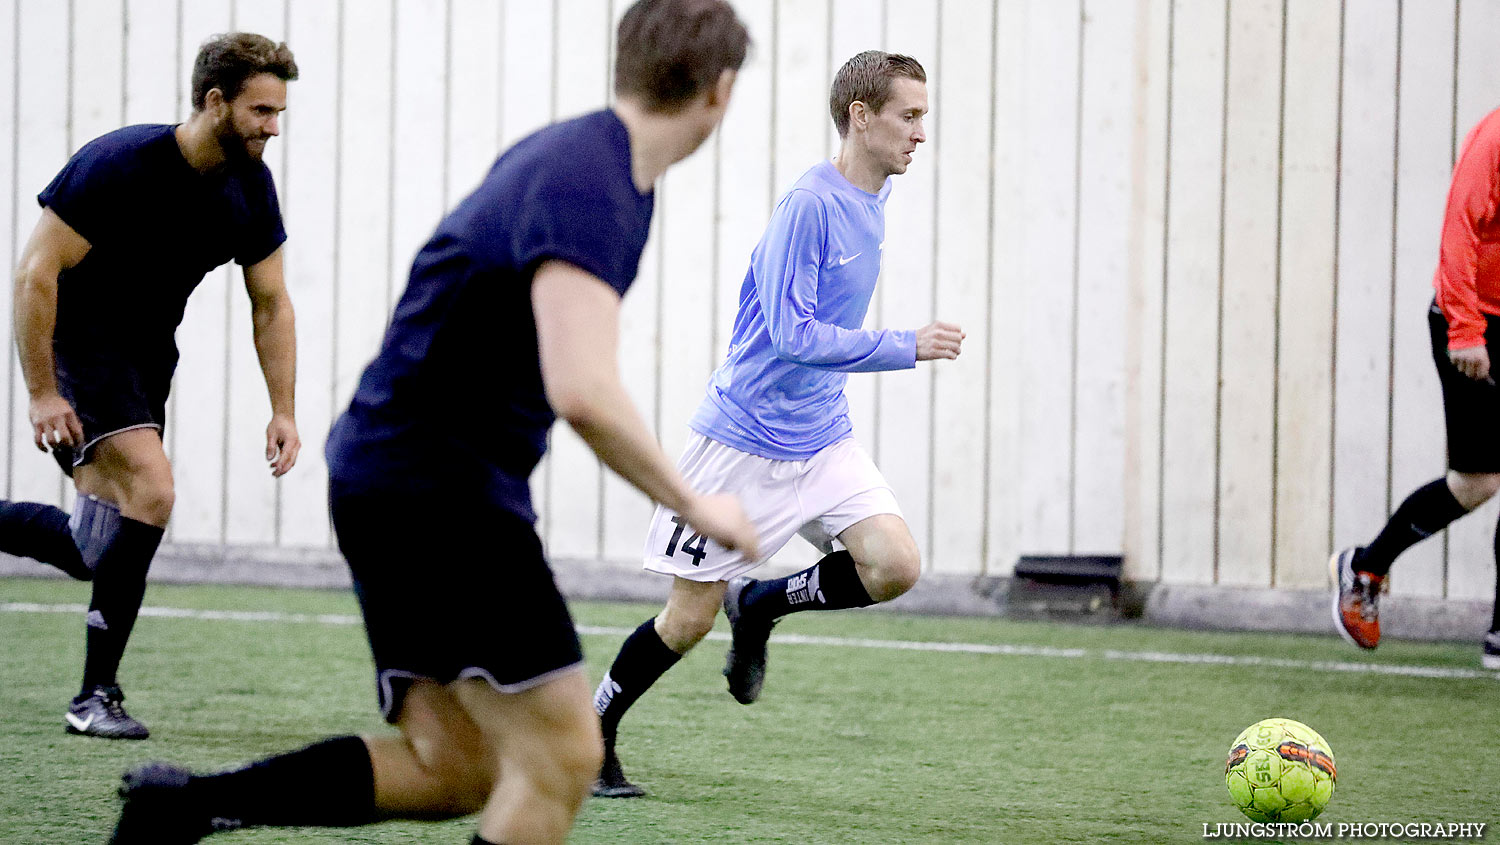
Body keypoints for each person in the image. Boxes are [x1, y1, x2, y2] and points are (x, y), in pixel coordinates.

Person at [108, 2, 757, 843]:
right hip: (437, 485)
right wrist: (699, 508)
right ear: (722, 89)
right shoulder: (591, 180)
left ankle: (183, 807)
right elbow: (584, 389)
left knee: (455, 763)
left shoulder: (588, 162)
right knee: (564, 753)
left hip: (399, 475)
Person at [591, 50, 964, 799]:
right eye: (909, 116)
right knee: (687, 621)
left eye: (924, 116)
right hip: (742, 445)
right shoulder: (809, 205)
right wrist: (904, 344)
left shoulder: (874, 199)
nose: (922, 133)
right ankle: (592, 732)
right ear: (862, 117)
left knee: (895, 565)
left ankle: (761, 602)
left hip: (821, 437)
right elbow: (793, 335)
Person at [2, 32, 300, 740]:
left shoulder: (249, 186)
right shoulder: (118, 164)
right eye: (261, 111)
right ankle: (92, 696)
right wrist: (44, 392)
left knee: (92, 551)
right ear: (215, 101)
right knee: (155, 490)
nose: (273, 127)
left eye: (279, 111)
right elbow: (35, 274)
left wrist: (282, 409)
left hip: (144, 363)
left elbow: (272, 303)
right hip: (78, 347)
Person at [1331, 105, 1500, 668]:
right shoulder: (1495, 137)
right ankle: (1366, 567)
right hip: (1471, 320)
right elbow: (1461, 226)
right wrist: (1467, 329)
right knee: (1476, 483)